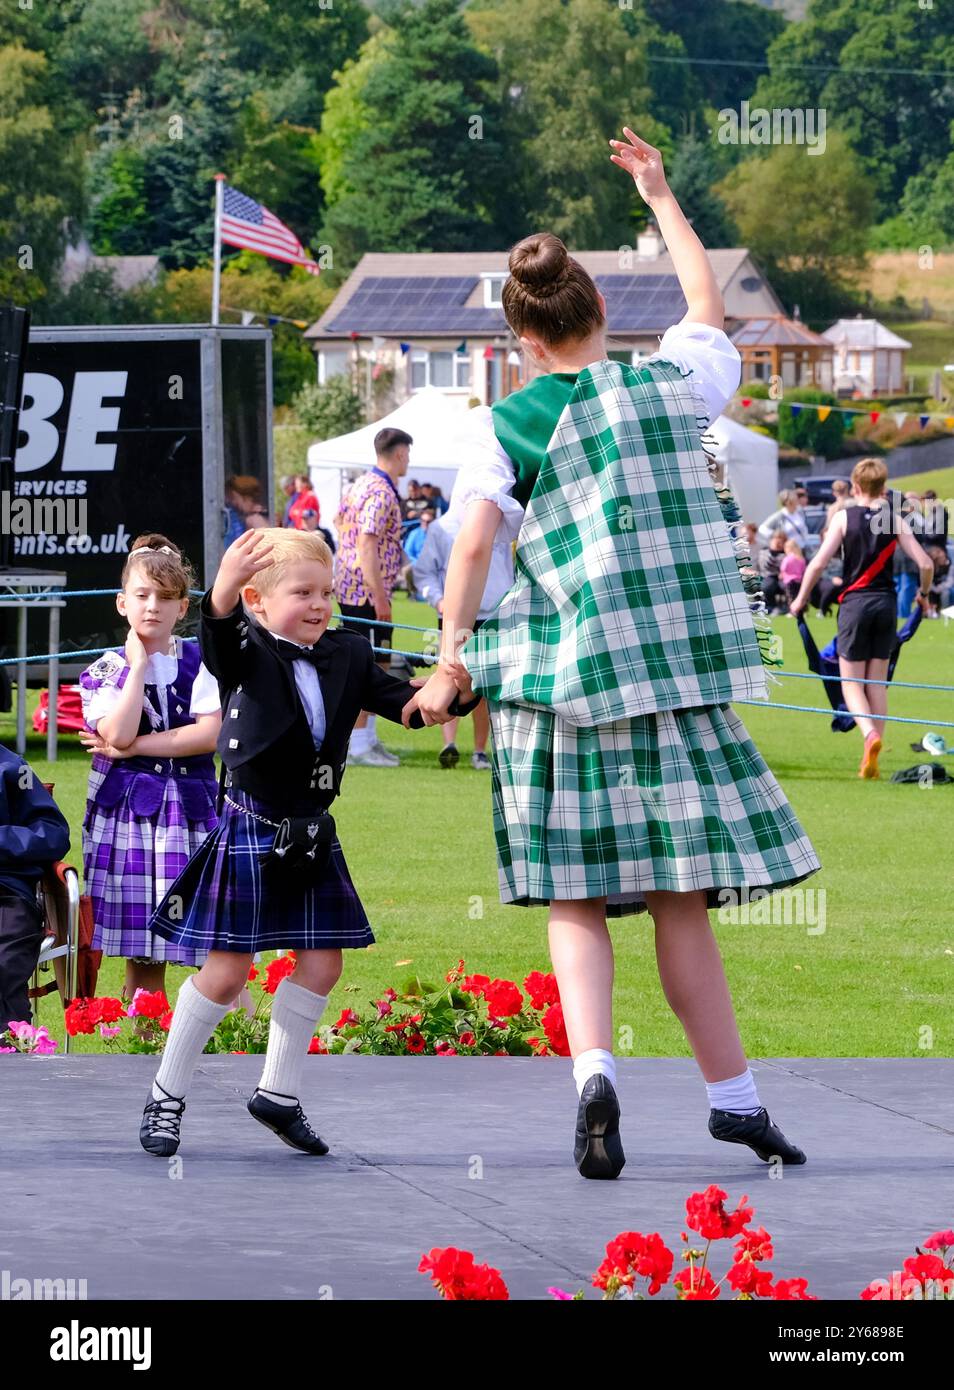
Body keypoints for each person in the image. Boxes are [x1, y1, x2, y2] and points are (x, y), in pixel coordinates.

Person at [409, 127, 820, 1181]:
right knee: (681, 897)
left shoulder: (506, 425)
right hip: (670, 688)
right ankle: (735, 1100)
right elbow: (703, 305)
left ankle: (595, 1074)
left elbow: (471, 548)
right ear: (598, 313)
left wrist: (452, 659)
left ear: (521, 340)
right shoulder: (674, 383)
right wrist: (659, 194)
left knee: (576, 899)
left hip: (554, 690)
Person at [138, 528, 477, 1157]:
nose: (320, 604)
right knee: (226, 971)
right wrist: (222, 592)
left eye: (326, 591)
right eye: (303, 592)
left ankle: (278, 1095)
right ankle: (165, 1095)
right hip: (251, 822)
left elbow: (409, 707)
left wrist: (450, 685)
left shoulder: (347, 653)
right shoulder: (247, 650)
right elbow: (218, 641)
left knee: (323, 962)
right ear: (260, 602)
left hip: (312, 827)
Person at [76, 535, 222, 1003]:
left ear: (184, 607)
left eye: (165, 597)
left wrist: (133, 747)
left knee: (216, 946)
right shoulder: (106, 668)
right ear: (122, 603)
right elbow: (114, 734)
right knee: (145, 952)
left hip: (193, 814)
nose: (152, 607)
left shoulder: (202, 661)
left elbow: (210, 735)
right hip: (131, 817)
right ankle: (145, 1047)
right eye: (141, 595)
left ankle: (233, 1050)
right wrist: (136, 668)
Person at [790, 458, 934, 780]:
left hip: (854, 605)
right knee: (876, 683)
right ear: (883, 487)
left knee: (851, 682)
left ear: (855, 487)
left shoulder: (843, 517)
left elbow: (816, 565)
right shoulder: (894, 520)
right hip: (886, 606)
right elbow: (925, 564)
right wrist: (923, 595)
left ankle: (869, 735)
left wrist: (800, 601)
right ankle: (871, 760)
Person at [412, 505, 515, 771]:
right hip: (455, 615)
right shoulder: (442, 528)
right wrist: (439, 600)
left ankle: (481, 750)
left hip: (494, 615)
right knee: (448, 676)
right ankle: (449, 744)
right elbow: (424, 571)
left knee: (484, 685)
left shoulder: (503, 523)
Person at [334, 428, 412, 767]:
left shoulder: (360, 484)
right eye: (407, 453)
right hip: (365, 590)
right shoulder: (380, 491)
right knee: (367, 665)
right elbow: (367, 541)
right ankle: (358, 743)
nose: (408, 460)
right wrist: (379, 594)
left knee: (377, 663)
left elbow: (339, 522)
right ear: (397, 454)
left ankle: (367, 738)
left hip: (354, 584)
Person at [0, 747, 70, 1031]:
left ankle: (11, 1057)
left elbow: (52, 833)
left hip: (6, 892)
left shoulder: (12, 768)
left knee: (3, 967)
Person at [758, 530, 788, 613]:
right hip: (769, 576)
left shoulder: (787, 553)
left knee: (789, 586)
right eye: (775, 539)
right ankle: (772, 606)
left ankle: (787, 607)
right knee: (767, 587)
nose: (777, 542)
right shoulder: (764, 551)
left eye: (780, 540)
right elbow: (765, 565)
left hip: (785, 577)